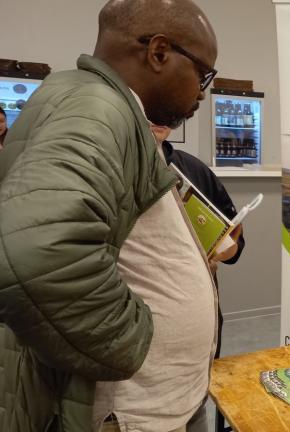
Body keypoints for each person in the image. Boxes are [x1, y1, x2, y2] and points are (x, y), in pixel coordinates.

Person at [0, 0, 219, 430]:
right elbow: (35, 253)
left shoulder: (106, 107)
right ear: (158, 53)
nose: (202, 92)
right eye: (203, 74)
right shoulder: (99, 109)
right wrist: (131, 342)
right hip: (130, 411)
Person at [150, 123, 245, 360]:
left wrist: (224, 250)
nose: (159, 116)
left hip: (200, 315)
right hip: (146, 321)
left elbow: (235, 241)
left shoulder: (193, 169)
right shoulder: (114, 171)